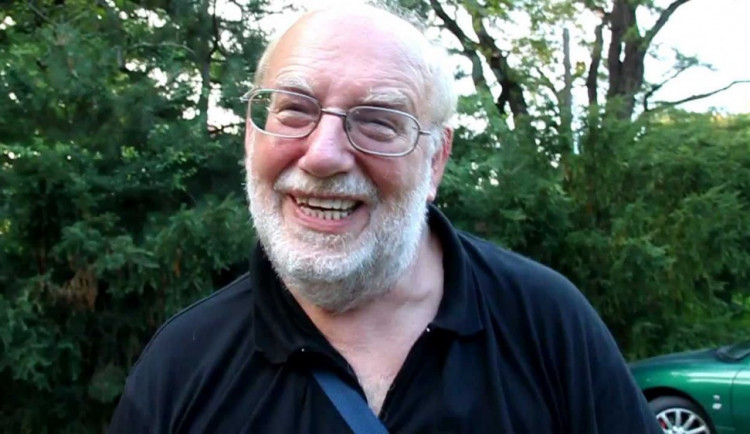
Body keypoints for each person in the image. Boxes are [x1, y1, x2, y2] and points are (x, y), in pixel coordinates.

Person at [109, 4, 662, 433]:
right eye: (295, 110)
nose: (323, 155)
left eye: (377, 121)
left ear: (436, 159)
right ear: (253, 135)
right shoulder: (182, 366)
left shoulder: (547, 325)